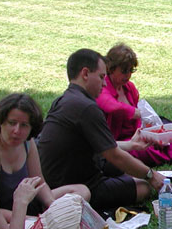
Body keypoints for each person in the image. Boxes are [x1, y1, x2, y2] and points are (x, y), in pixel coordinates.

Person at [38, 49, 164, 212]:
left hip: (58, 178)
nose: (105, 84)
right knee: (143, 187)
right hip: (78, 185)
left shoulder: (64, 100)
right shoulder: (87, 108)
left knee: (127, 169)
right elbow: (114, 155)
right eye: (101, 77)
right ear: (85, 73)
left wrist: (131, 145)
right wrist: (151, 175)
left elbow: (100, 145)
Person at [96, 44, 172, 171]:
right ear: (111, 68)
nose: (128, 75)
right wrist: (138, 113)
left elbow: (138, 124)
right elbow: (112, 107)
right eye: (124, 71)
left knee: (168, 138)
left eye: (131, 70)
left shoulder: (129, 88)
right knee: (155, 149)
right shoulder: (103, 87)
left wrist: (149, 134)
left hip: (136, 138)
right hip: (119, 145)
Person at [0, 93, 89, 216]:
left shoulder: (27, 143)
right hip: (7, 216)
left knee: (82, 191)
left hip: (30, 203)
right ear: (1, 122)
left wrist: (51, 204)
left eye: (24, 125)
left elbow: (39, 181)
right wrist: (30, 220)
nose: (17, 131)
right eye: (12, 123)